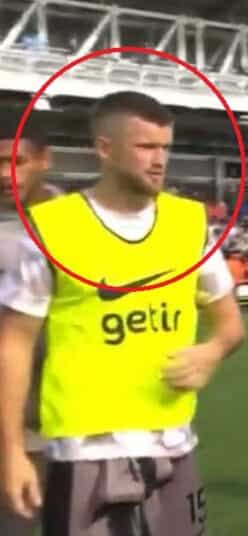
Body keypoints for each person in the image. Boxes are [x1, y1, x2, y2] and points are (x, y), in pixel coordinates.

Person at [0, 91, 245, 535]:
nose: (159, 160)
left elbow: (230, 324)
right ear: (105, 148)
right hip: (84, 452)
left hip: (175, 444)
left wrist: (212, 352)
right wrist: (12, 451)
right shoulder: (52, 229)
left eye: (165, 147)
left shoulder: (189, 224)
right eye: (145, 147)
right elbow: (13, 344)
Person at [0, 126, 60, 536]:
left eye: (16, 161)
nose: (4, 174)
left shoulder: (77, 223)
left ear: (44, 160)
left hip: (74, 426)